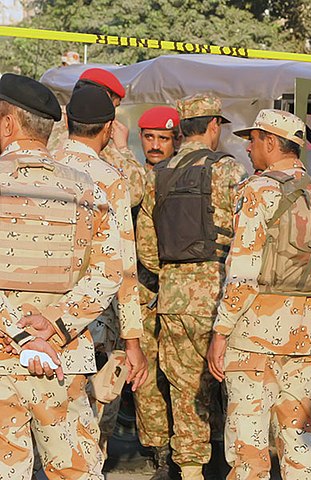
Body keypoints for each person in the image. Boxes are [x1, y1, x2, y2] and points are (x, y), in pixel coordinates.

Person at [207, 109, 311, 479]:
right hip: (306, 336)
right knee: (300, 441)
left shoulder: (257, 191)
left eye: (252, 140)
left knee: (249, 447)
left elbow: (243, 272)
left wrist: (220, 332)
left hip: (255, 337)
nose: (247, 148)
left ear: (271, 142)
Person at [0, 73, 123, 479]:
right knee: (76, 471)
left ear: (8, 124)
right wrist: (54, 326)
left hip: (4, 357)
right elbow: (110, 271)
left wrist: (21, 337)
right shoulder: (87, 189)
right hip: (63, 359)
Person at [137, 93, 247, 480]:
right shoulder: (229, 170)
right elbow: (248, 236)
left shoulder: (158, 174)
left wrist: (174, 273)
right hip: (220, 295)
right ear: (214, 126)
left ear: (181, 129)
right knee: (232, 384)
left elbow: (146, 248)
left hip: (173, 297)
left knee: (184, 390)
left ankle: (190, 471)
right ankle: (234, 463)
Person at [51, 84, 148, 453]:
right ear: (108, 128)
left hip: (37, 319)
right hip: (93, 327)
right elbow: (123, 266)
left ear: (68, 123)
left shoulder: (44, 165)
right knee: (88, 436)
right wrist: (133, 341)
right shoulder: (108, 178)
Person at [134, 105, 181, 479]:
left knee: (185, 378)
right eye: (149, 137)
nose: (155, 145)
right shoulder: (135, 180)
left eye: (163, 138)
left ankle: (190, 453)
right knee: (146, 378)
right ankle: (161, 454)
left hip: (181, 292)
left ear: (176, 140)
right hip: (143, 294)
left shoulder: (186, 180)